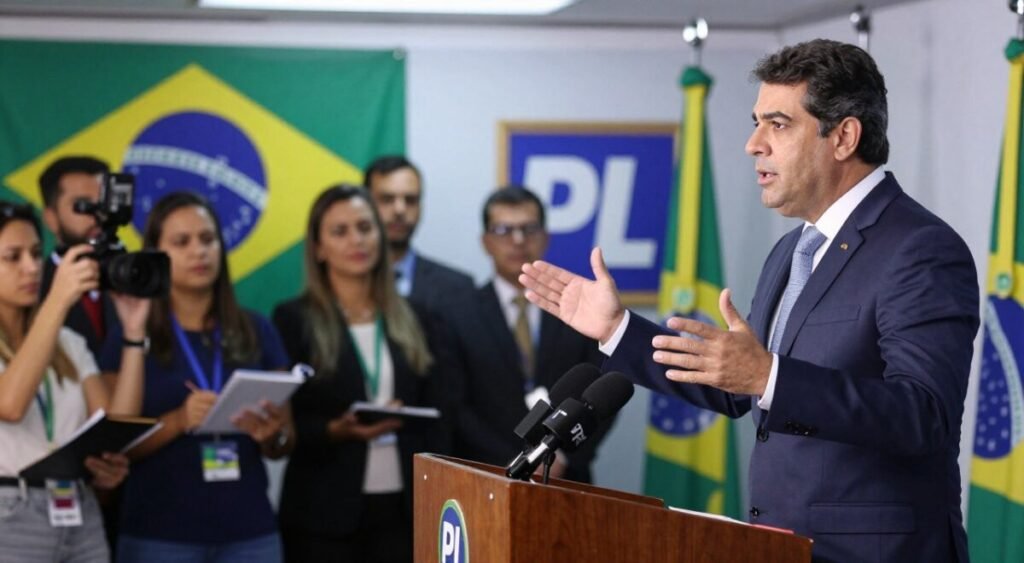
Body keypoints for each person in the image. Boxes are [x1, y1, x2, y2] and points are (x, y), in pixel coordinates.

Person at [519, 39, 979, 563]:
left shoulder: (920, 249)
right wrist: (618, 329)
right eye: (756, 122)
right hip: (781, 547)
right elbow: (736, 386)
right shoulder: (793, 250)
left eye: (778, 125)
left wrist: (770, 376)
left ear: (844, 137)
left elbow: (925, 416)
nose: (753, 143)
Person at [99, 192, 291, 563]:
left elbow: (286, 440)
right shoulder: (132, 334)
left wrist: (273, 436)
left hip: (249, 530)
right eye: (181, 242)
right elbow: (113, 447)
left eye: (207, 239)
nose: (198, 252)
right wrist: (178, 421)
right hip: (159, 533)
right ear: (155, 252)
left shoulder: (256, 328)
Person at [273, 184, 442, 563]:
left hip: (404, 509)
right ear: (318, 248)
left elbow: (439, 409)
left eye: (365, 227)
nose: (356, 240)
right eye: (340, 231)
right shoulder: (293, 319)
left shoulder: (416, 316)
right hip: (322, 513)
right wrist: (335, 430)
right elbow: (288, 425)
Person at [0, 201, 150, 562]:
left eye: (37, 254)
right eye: (12, 257)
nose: (32, 267)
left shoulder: (67, 341)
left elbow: (114, 420)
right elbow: (10, 404)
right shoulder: (55, 319)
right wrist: (59, 298)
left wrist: (133, 333)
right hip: (11, 513)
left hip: (78, 509)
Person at [443, 186, 605, 483]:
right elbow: (456, 406)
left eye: (529, 229)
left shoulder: (579, 309)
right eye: (504, 230)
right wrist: (518, 461)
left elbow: (601, 392)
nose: (518, 241)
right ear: (486, 241)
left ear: (545, 236)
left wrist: (563, 455)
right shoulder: (457, 314)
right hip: (486, 475)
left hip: (567, 478)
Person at [364, 155, 474, 312]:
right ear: (365, 205)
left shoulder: (457, 288)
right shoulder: (342, 282)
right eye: (387, 199)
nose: (400, 210)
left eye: (410, 200)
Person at [38, 156, 117, 358]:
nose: (96, 215)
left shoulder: (132, 276)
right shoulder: (33, 290)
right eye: (82, 205)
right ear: (51, 218)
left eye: (102, 204)